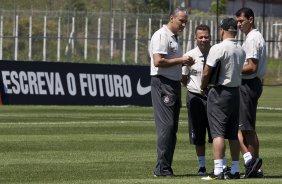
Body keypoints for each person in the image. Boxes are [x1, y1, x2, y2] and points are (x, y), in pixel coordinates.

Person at [149, 7, 194, 177]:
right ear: (171, 18)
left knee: (172, 127)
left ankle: (166, 166)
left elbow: (170, 61)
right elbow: (158, 61)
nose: (183, 24)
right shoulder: (162, 35)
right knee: (166, 127)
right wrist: (181, 60)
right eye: (181, 20)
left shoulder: (174, 38)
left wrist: (183, 63)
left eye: (185, 22)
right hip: (163, 83)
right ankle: (161, 168)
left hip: (173, 84)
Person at [200, 18, 246, 180]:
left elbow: (206, 72)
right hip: (235, 93)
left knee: (218, 133)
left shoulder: (218, 48)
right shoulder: (241, 49)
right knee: (233, 134)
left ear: (223, 30)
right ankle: (234, 170)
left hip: (219, 92)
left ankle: (218, 170)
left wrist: (203, 86)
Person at [182, 24, 229, 176]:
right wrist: (193, 87)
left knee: (217, 132)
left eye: (206, 36)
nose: (203, 39)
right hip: (195, 97)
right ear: (195, 38)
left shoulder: (217, 53)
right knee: (198, 133)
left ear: (210, 37)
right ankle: (201, 166)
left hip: (213, 97)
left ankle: (223, 165)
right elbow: (183, 78)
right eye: (200, 37)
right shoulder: (189, 55)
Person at [235, 7, 267, 178]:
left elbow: (251, 67)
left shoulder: (253, 38)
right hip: (250, 84)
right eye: (237, 21)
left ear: (251, 19)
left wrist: (232, 69)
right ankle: (253, 165)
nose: (239, 24)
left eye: (241, 21)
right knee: (244, 128)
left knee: (246, 129)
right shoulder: (252, 37)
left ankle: (254, 167)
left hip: (248, 85)